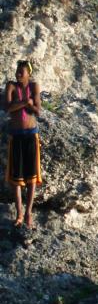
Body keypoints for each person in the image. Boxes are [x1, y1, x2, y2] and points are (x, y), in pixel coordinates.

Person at [5, 60, 41, 229]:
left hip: (31, 135)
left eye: (22, 72)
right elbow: (8, 108)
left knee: (32, 178)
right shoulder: (11, 86)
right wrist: (26, 103)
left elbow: (38, 110)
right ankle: (19, 213)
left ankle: (28, 213)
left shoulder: (34, 87)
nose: (18, 74)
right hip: (16, 136)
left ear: (29, 74)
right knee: (16, 179)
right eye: (17, 71)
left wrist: (30, 104)